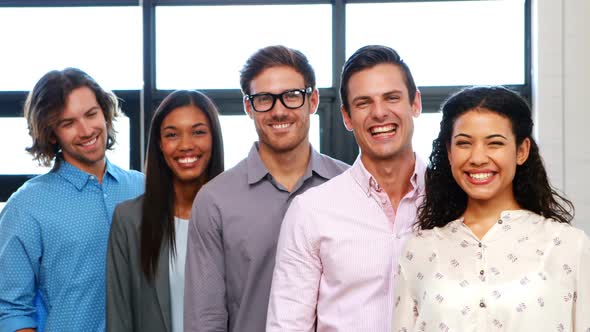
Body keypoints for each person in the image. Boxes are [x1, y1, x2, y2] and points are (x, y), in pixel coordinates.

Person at [393, 86, 590, 331]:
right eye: (464, 143)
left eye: (494, 143)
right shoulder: (419, 249)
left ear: (521, 151)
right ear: (449, 152)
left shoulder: (568, 245)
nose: (477, 158)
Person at [183, 45, 349, 332]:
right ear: (248, 106)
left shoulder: (349, 186)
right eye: (264, 99)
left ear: (313, 100)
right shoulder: (214, 200)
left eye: (292, 96)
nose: (279, 110)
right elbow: (205, 319)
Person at [266, 45, 425, 331]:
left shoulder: (455, 199)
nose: (379, 113)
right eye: (364, 103)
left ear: (415, 104)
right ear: (347, 117)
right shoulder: (311, 211)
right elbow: (287, 325)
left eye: (391, 98)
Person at [0, 68, 144, 331]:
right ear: (52, 133)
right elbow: (11, 310)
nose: (86, 130)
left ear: (105, 112)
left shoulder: (143, 188)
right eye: (68, 123)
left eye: (91, 114)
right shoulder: (26, 206)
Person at [106, 90, 224, 332]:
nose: (186, 145)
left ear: (214, 138)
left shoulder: (237, 216)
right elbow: (119, 318)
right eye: (172, 135)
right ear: (159, 144)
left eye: (198, 132)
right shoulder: (129, 219)